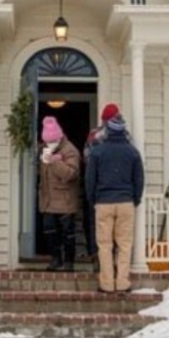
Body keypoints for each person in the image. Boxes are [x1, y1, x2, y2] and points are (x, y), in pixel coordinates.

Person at [85, 113, 143, 293]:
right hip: (126, 201)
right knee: (124, 245)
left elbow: (90, 179)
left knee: (104, 244)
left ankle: (107, 283)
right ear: (123, 130)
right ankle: (123, 282)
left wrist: (92, 199)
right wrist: (135, 198)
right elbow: (139, 179)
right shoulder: (132, 152)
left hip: (103, 202)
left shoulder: (98, 151)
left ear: (108, 130)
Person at [38, 116, 81, 271]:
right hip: (48, 200)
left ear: (59, 137)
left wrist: (54, 161)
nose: (49, 144)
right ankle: (55, 259)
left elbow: (71, 174)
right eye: (47, 141)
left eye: (52, 141)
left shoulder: (70, 150)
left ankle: (69, 262)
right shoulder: (44, 149)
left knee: (67, 234)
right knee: (50, 231)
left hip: (65, 200)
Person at [82, 103, 122, 269]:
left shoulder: (93, 136)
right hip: (119, 190)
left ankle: (96, 257)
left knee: (94, 225)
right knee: (116, 229)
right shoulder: (124, 136)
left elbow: (86, 158)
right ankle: (114, 261)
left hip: (98, 188)